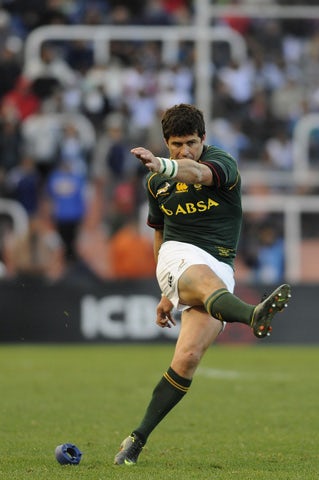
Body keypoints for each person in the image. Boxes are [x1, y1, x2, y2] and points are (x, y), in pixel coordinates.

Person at [114, 103, 292, 466]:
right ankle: (253, 314)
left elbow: (194, 174)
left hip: (219, 267)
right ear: (167, 142)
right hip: (176, 255)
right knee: (205, 281)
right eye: (177, 144)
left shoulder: (222, 163)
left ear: (203, 139)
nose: (185, 151)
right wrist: (167, 290)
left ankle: (136, 439)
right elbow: (159, 232)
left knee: (188, 358)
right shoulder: (155, 183)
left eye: (192, 143)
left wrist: (165, 165)